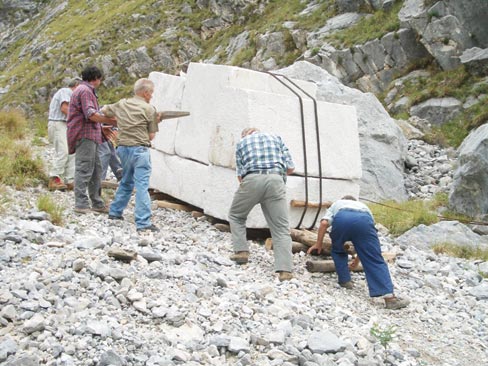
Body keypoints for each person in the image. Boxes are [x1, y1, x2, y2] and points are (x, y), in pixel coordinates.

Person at [307, 196, 409, 310]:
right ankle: (390, 299)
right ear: (355, 201)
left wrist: (318, 244)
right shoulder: (364, 207)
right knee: (374, 258)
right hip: (364, 220)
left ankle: (345, 281)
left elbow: (324, 223)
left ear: (343, 199)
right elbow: (364, 246)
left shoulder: (337, 204)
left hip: (342, 219)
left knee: (338, 250)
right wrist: (356, 261)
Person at [228, 127, 295, 282]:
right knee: (280, 227)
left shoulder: (242, 143)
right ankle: (285, 270)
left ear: (244, 134)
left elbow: (240, 177)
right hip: (276, 180)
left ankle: (241, 252)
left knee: (236, 215)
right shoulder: (276, 138)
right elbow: (291, 168)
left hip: (252, 179)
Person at [101, 78, 162, 233]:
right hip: (140, 149)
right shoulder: (149, 109)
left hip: (122, 148)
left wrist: (121, 121)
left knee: (126, 180)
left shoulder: (122, 104)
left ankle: (115, 212)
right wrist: (156, 121)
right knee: (142, 185)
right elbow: (151, 136)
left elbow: (104, 110)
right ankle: (143, 222)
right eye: (151, 93)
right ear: (146, 92)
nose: (152, 96)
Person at [67, 66, 117, 214]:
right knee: (84, 168)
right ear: (96, 78)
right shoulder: (85, 91)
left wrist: (101, 128)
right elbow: (90, 115)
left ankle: (97, 202)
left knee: (96, 170)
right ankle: (81, 204)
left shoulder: (83, 90)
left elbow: (88, 116)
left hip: (91, 135)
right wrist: (113, 121)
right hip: (85, 136)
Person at [47, 77, 81, 191]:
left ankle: (69, 180)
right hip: (58, 123)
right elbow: (65, 108)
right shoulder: (66, 92)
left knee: (72, 152)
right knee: (63, 151)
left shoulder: (73, 96)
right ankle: (54, 178)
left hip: (66, 124)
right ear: (76, 85)